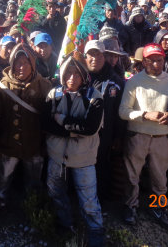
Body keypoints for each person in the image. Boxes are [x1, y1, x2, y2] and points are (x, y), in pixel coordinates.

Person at [119, 43, 168, 229]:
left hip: (161, 137)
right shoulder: (134, 81)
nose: (156, 64)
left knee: (160, 177)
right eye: (152, 60)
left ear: (164, 60)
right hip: (137, 134)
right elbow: (123, 111)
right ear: (144, 61)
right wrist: (145, 115)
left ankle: (159, 208)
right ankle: (130, 206)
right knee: (132, 175)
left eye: (159, 60)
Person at [44, 53, 105, 247]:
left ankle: (95, 232)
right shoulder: (54, 94)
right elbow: (45, 124)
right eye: (68, 73)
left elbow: (91, 128)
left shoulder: (94, 97)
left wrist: (62, 122)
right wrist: (74, 130)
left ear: (84, 75)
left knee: (88, 200)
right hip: (56, 155)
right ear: (62, 75)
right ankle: (65, 223)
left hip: (83, 158)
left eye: (77, 73)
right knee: (56, 192)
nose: (72, 78)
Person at [0, 44, 51, 209]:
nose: (21, 67)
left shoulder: (44, 86)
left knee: (34, 180)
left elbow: (49, 120)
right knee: (2, 178)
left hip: (34, 145)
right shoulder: (2, 87)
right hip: (8, 144)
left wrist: (45, 144)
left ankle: (32, 206)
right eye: (17, 63)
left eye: (26, 62)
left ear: (32, 64)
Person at [83, 40, 125, 203]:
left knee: (101, 165)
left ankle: (100, 200)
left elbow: (119, 112)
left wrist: (118, 137)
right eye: (91, 55)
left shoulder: (117, 82)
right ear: (85, 57)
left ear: (104, 56)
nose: (95, 58)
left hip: (105, 135)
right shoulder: (78, 77)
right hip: (81, 132)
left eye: (98, 54)